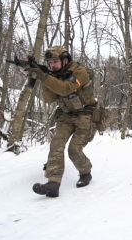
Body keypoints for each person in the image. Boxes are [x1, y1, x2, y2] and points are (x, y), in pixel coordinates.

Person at [25, 46, 97, 198]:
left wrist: (44, 77)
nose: (53, 65)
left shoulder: (79, 72)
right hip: (66, 115)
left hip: (85, 116)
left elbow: (65, 89)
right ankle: (53, 183)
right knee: (56, 143)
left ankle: (85, 172)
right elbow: (50, 99)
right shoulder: (54, 75)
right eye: (50, 63)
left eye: (55, 61)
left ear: (65, 60)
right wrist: (42, 77)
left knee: (74, 150)